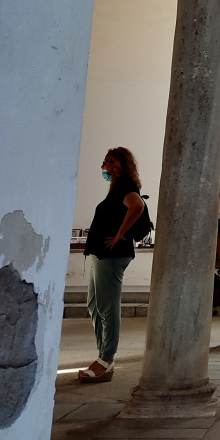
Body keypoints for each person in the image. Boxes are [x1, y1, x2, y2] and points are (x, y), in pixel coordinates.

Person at [79, 147, 146, 383]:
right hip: (101, 254)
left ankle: (106, 360)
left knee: (107, 307)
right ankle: (102, 356)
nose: (103, 167)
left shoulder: (126, 186)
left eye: (108, 162)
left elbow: (138, 206)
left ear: (119, 166)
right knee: (94, 304)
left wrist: (119, 235)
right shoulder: (116, 189)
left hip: (112, 255)